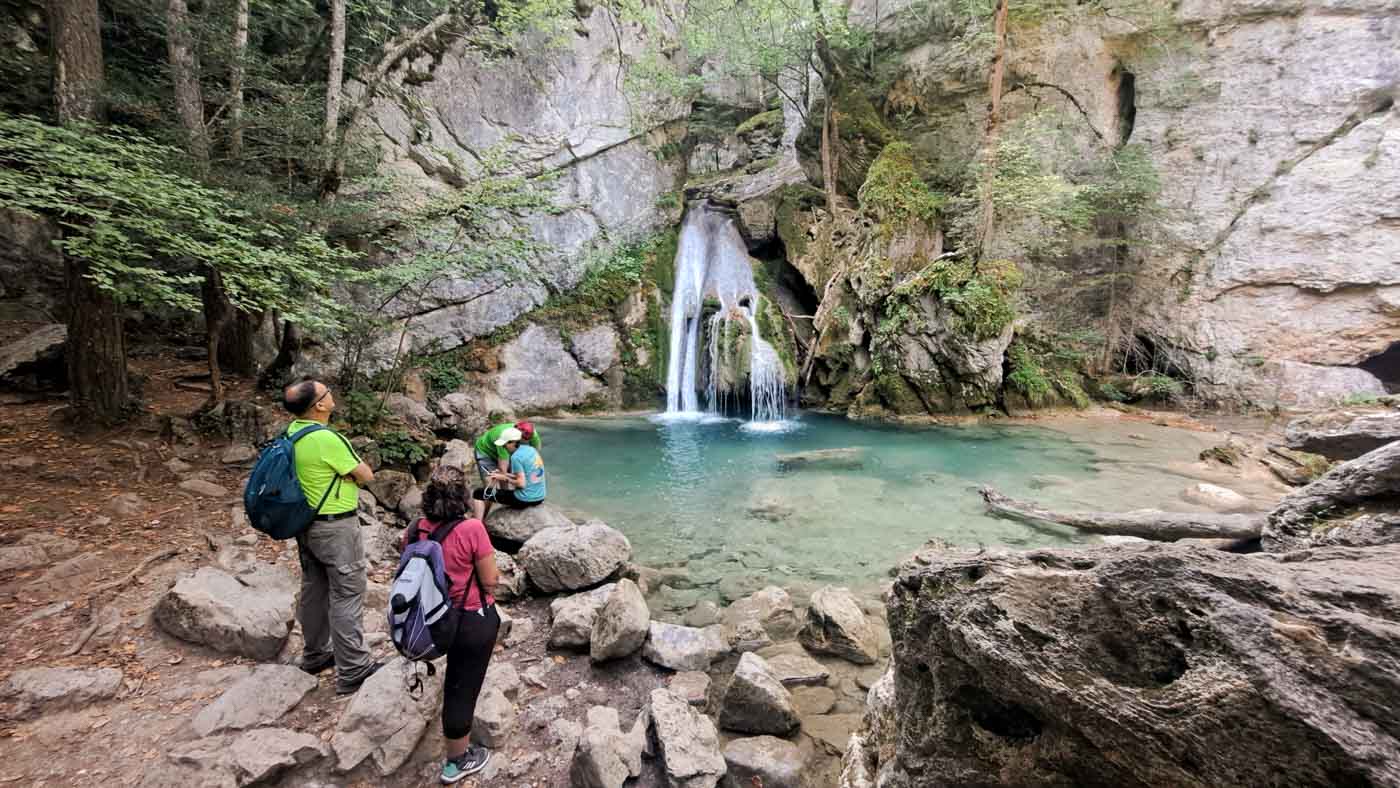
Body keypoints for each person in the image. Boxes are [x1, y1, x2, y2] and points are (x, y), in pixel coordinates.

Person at [282, 379, 382, 694]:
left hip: (305, 525)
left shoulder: (292, 432)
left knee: (314, 589)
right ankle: (354, 669)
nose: (331, 394)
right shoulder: (326, 438)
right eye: (327, 392)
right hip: (336, 527)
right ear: (319, 405)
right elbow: (366, 475)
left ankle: (314, 654)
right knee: (348, 592)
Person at [402, 466, 501, 783]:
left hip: (426, 618)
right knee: (461, 687)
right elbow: (490, 581)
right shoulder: (472, 529)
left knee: (457, 683)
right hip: (469, 618)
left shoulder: (417, 527)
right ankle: (457, 761)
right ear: (463, 496)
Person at [470, 426, 546, 521]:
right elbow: (525, 475)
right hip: (540, 497)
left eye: (504, 444)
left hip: (524, 499)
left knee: (478, 493)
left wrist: (504, 478)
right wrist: (503, 475)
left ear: (513, 443)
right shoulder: (531, 450)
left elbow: (521, 483)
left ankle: (478, 525)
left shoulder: (516, 457)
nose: (503, 447)